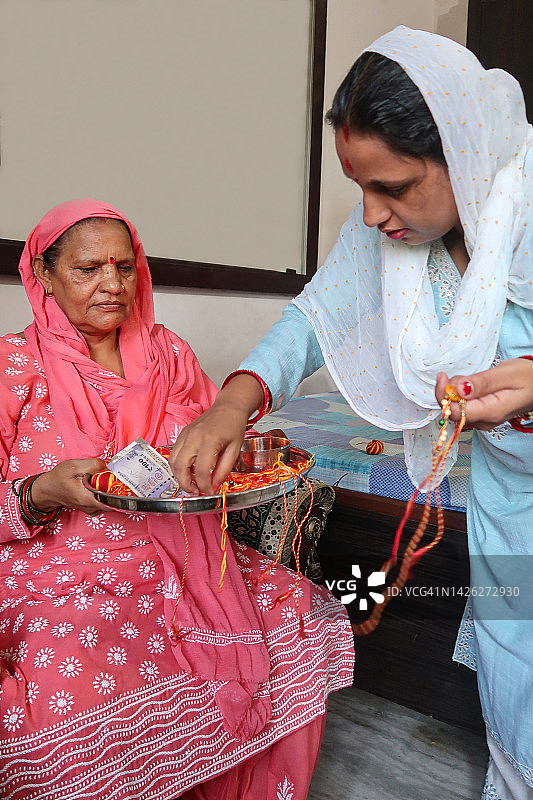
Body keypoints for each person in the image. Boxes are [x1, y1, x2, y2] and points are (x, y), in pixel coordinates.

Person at [170, 27, 533, 800]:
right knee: (517, 677)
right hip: (510, 496)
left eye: (392, 187)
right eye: (358, 186)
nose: (370, 214)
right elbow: (314, 315)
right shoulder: (393, 236)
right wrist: (234, 401)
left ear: (462, 155)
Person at [0, 199, 354, 800]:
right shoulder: (13, 366)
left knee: (295, 610)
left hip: (186, 551)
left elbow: (218, 444)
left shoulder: (168, 353)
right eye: (88, 269)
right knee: (76, 660)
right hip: (58, 564)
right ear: (45, 275)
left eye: (124, 266)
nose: (113, 284)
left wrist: (244, 455)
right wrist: (41, 491)